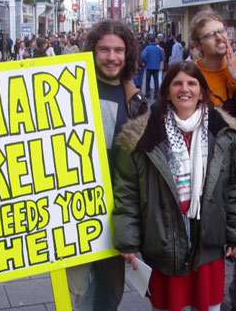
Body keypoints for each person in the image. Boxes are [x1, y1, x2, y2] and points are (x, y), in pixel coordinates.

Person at [113, 61, 236, 311]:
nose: (185, 89)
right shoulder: (143, 135)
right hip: (163, 241)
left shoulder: (223, 132)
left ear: (202, 90)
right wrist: (128, 240)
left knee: (208, 306)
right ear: (167, 90)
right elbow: (127, 192)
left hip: (208, 241)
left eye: (192, 83)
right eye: (177, 83)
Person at [66, 19, 147, 311]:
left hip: (116, 212)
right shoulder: (72, 88)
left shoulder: (136, 102)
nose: (112, 57)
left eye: (118, 50)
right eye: (104, 50)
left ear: (127, 55)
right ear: (92, 51)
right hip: (73, 210)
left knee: (110, 292)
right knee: (76, 292)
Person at [190, 10, 236, 117]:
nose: (220, 38)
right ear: (198, 45)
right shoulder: (192, 73)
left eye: (221, 31)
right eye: (210, 35)